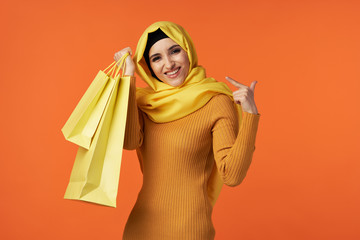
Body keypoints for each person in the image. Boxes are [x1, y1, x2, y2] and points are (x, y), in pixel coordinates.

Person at [114, 21, 260, 240]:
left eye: (174, 51)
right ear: (148, 67)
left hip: (189, 230)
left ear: (187, 50)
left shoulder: (216, 100)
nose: (169, 64)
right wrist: (128, 77)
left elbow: (231, 175)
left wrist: (250, 116)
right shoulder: (143, 103)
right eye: (157, 58)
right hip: (141, 228)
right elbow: (129, 141)